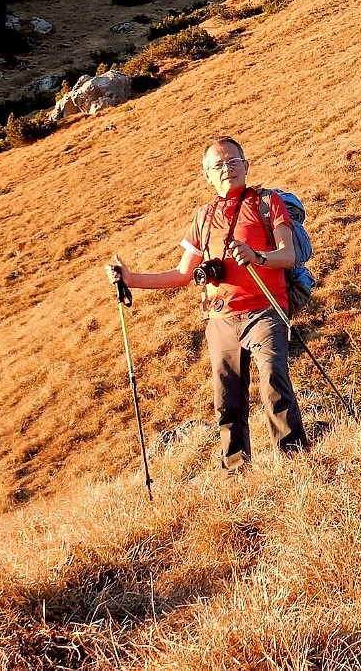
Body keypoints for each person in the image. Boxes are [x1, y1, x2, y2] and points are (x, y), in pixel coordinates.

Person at [108, 136, 308, 472]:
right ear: (207, 175)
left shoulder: (267, 202)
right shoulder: (203, 217)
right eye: (219, 165)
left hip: (266, 308)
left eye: (233, 161)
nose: (227, 169)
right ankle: (236, 472)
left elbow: (287, 255)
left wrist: (257, 256)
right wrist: (130, 279)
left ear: (245, 165)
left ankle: (296, 463)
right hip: (221, 317)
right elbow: (183, 273)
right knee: (227, 398)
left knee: (274, 380)